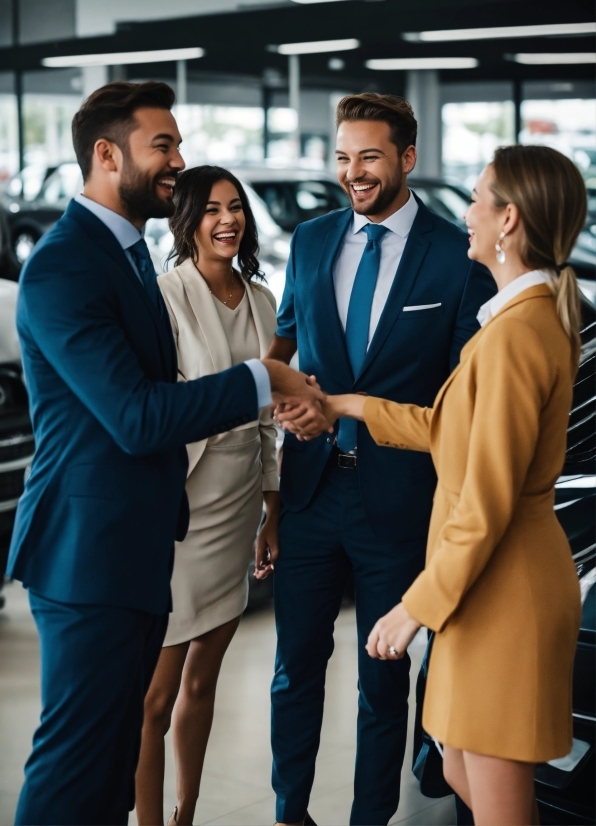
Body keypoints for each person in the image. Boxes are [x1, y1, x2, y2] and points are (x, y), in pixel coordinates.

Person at [6, 82, 319, 826]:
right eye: (164, 146)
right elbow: (137, 417)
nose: (179, 161)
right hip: (88, 558)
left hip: (137, 552)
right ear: (107, 155)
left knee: (112, 765)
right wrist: (260, 378)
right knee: (75, 765)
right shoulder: (65, 267)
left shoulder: (126, 257)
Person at [281, 144, 586, 826]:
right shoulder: (519, 322)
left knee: (498, 799)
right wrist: (348, 404)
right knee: (453, 764)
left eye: (478, 199)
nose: (467, 213)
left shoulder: (516, 336)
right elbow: (454, 428)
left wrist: (411, 608)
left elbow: (485, 501)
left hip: (501, 590)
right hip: (485, 585)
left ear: (508, 220)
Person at [266, 92, 495, 826]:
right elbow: (284, 346)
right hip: (310, 491)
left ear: (407, 158)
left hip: (399, 502)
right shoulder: (309, 240)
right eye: (341, 157)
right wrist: (284, 396)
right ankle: (288, 814)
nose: (353, 173)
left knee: (382, 680)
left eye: (368, 156)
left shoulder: (455, 257)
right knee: (294, 670)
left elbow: (467, 399)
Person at [134, 165, 280, 826]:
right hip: (181, 510)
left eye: (236, 208)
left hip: (243, 494)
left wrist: (272, 507)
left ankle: (185, 812)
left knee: (203, 679)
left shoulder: (262, 299)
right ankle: (147, 818)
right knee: (154, 696)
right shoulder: (165, 297)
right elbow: (157, 407)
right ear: (186, 220)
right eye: (213, 209)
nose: (228, 220)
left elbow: (273, 413)